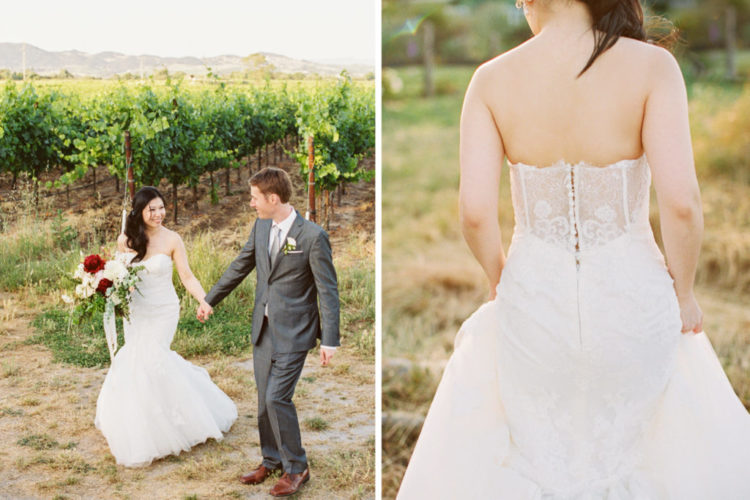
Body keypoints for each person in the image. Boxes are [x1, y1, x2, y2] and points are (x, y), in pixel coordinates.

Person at [397, 0, 750, 498]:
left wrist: (502, 279)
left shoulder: (491, 80)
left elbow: (475, 212)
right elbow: (683, 204)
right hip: (635, 299)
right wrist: (685, 292)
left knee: (540, 452)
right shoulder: (652, 67)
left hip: (533, 303)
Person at [197, 167, 340, 497]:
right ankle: (271, 459)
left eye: (255, 198)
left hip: (295, 331)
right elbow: (240, 265)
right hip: (263, 329)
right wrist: (210, 299)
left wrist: (329, 338)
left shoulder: (312, 237)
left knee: (278, 397)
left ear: (273, 199)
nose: (251, 204)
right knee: (264, 401)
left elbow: (327, 291)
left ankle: (297, 467)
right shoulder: (261, 227)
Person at [95, 186, 237, 467]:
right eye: (152, 209)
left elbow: (186, 275)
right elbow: (118, 274)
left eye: (161, 208)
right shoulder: (126, 240)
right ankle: (143, 427)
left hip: (163, 310)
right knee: (137, 362)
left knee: (153, 358)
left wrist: (203, 300)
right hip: (136, 311)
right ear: (139, 211)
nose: (159, 214)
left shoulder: (173, 239)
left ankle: (182, 423)